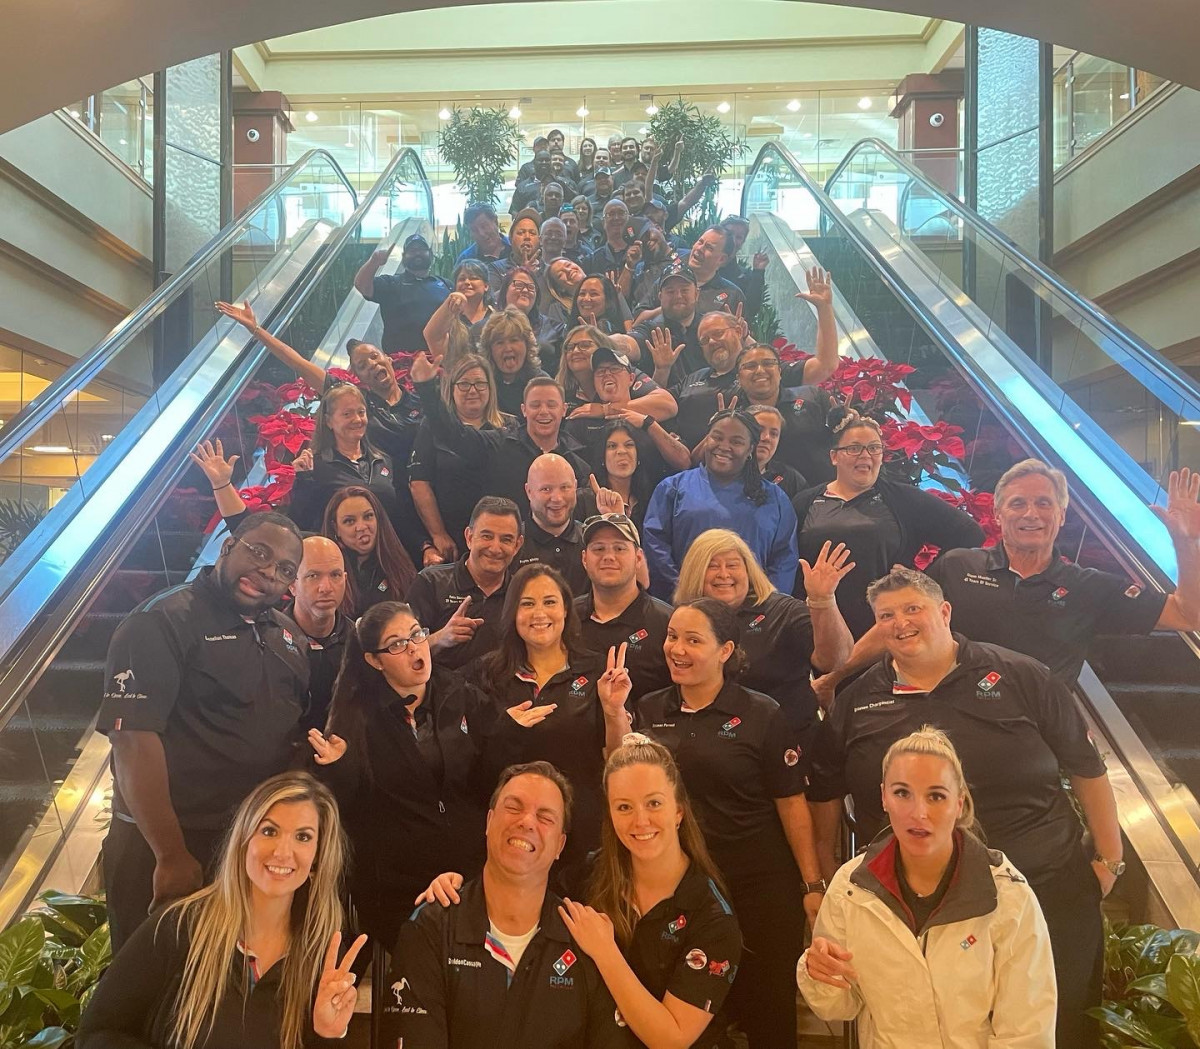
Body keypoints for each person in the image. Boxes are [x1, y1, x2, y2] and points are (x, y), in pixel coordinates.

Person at [809, 567, 1123, 1048]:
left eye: (913, 608)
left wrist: (1109, 857)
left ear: (945, 611)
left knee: (1057, 1027)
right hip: (915, 905)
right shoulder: (858, 701)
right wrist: (826, 876)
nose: (901, 623)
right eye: (886, 615)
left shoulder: (1021, 675)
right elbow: (826, 792)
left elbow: (1086, 767)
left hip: (1044, 882)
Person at [97, 512, 309, 952]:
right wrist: (170, 854)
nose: (268, 571)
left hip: (247, 843)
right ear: (228, 547)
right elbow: (132, 740)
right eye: (259, 552)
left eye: (285, 569)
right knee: (152, 978)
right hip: (168, 846)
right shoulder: (161, 622)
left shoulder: (288, 635)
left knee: (228, 976)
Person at [635, 598, 824, 1049]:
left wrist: (812, 885)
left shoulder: (762, 713)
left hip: (758, 884)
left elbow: (792, 804)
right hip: (682, 886)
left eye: (693, 640)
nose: (677, 649)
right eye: (672, 637)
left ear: (725, 651)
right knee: (688, 1014)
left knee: (768, 1010)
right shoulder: (648, 709)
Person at [798, 727, 1056, 1048]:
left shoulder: (1007, 896)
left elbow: (1027, 1033)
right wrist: (817, 971)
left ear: (959, 803)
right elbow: (837, 1006)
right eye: (902, 793)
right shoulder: (851, 889)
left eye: (936, 796)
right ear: (883, 797)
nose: (918, 813)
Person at [78, 771, 364, 1048]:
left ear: (317, 857)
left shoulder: (320, 954)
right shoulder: (179, 927)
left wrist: (328, 1034)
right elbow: (96, 1034)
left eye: (303, 837)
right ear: (243, 842)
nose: (282, 852)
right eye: (269, 831)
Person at [382, 762, 628, 1048]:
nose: (527, 822)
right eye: (513, 807)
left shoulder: (587, 939)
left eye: (545, 817)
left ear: (560, 845)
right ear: (489, 822)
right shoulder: (431, 928)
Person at [308, 602, 509, 949]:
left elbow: (488, 777)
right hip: (399, 881)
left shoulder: (459, 693)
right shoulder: (356, 717)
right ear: (375, 661)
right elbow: (348, 812)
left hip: (471, 866)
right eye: (397, 644)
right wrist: (339, 768)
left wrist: (512, 734)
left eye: (416, 635)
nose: (414, 648)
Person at [923, 459, 1200, 681]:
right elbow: (909, 624)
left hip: (1040, 729)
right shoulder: (957, 566)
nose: (1031, 513)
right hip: (952, 725)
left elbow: (1188, 615)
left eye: (1044, 503)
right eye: (1018, 503)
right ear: (998, 514)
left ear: (1062, 515)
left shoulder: (1089, 587)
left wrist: (1185, 542)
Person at [559, 734, 743, 1049]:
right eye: (624, 807)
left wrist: (605, 951)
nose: (640, 820)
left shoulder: (713, 918)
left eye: (654, 803)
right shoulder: (591, 875)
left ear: (679, 811)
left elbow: (671, 1039)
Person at [471, 564, 631, 869]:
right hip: (513, 831)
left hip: (581, 833)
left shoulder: (599, 671)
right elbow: (474, 766)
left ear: (566, 609)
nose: (539, 613)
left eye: (549, 602)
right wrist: (505, 730)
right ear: (512, 612)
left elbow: (620, 761)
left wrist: (614, 711)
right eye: (527, 604)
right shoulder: (487, 674)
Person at [791, 411, 985, 638]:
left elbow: (969, 533)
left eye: (874, 448)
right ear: (834, 456)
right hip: (815, 621)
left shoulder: (904, 499)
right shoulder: (805, 501)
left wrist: (923, 579)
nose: (865, 455)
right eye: (854, 448)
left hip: (884, 628)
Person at [212, 301, 424, 501]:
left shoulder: (421, 400)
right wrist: (256, 329)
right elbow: (299, 363)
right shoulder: (359, 404)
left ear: (388, 358)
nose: (371, 364)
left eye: (375, 356)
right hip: (391, 496)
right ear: (357, 376)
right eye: (362, 365)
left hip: (430, 486)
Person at [674, 529, 853, 746]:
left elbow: (834, 660)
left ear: (748, 570)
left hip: (786, 741)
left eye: (732, 565)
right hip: (710, 743)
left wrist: (822, 600)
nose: (723, 574)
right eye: (712, 566)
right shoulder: (681, 618)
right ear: (695, 572)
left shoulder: (784, 611)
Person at [410, 353, 590, 520]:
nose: (544, 411)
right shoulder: (499, 443)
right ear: (524, 410)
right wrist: (427, 388)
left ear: (564, 409)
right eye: (535, 405)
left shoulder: (577, 461)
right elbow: (454, 434)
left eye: (551, 405)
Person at [644, 409, 799, 600]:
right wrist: (682, 594)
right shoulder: (672, 488)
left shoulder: (774, 498)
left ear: (750, 450)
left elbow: (784, 558)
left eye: (736, 442)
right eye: (717, 437)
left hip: (755, 608)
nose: (724, 446)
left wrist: (766, 603)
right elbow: (656, 546)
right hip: (687, 604)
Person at [409, 353, 508, 564]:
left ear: (490, 388)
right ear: (451, 389)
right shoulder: (431, 427)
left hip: (501, 537)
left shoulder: (508, 427)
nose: (472, 390)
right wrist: (438, 534)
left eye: (480, 383)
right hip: (453, 539)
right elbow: (419, 483)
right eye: (464, 384)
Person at [407, 496, 524, 671]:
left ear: (517, 545)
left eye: (506, 539)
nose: (495, 548)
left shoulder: (522, 592)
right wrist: (441, 638)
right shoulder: (430, 582)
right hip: (440, 687)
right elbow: (402, 652)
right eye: (487, 536)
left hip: (504, 687)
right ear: (469, 537)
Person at [576, 513, 672, 700]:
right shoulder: (564, 618)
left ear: (638, 558)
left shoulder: (668, 623)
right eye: (599, 549)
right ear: (584, 559)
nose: (608, 557)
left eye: (619, 548)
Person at [287, 382, 402, 534]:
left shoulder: (383, 461)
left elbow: (401, 515)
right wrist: (304, 480)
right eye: (347, 414)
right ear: (328, 421)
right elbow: (299, 522)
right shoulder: (316, 467)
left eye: (361, 412)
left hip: (388, 546)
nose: (357, 419)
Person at [737, 337, 838, 484]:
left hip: (824, 493)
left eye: (768, 363)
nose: (760, 370)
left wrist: (849, 421)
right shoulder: (737, 417)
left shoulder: (813, 398)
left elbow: (846, 437)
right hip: (762, 495)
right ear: (739, 377)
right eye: (750, 366)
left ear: (779, 371)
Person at [290, 535, 353, 734]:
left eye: (335, 575)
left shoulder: (359, 641)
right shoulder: (267, 642)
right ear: (292, 584)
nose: (326, 588)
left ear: (345, 580)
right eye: (313, 576)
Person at [319, 485, 417, 610]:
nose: (361, 527)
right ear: (335, 528)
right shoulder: (323, 572)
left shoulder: (401, 565)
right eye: (349, 521)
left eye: (368, 516)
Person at [353, 233, 450, 353]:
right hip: (402, 360)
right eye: (412, 250)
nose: (417, 253)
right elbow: (361, 285)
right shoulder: (391, 283)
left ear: (430, 253)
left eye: (421, 249)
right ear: (404, 256)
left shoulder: (445, 284)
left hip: (441, 357)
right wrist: (374, 261)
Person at [515, 453, 591, 595]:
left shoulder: (591, 541)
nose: (557, 498)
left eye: (565, 487)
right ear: (529, 491)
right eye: (546, 489)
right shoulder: (513, 545)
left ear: (575, 487)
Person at [630, 266, 705, 387]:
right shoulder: (651, 330)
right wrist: (602, 341)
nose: (678, 296)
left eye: (684, 290)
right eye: (670, 291)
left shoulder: (709, 327)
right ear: (660, 297)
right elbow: (628, 343)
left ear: (697, 294)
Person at [478, 307, 549, 417]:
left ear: (527, 345)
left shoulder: (542, 383)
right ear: (490, 349)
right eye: (500, 342)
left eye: (514, 340)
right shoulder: (481, 383)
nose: (508, 348)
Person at [423, 260, 495, 367]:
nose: (467, 282)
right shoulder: (448, 320)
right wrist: (450, 301)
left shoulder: (496, 317)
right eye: (461, 279)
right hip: (457, 375)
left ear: (486, 286)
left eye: (473, 278)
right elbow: (431, 335)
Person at [747, 404, 807, 499]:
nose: (766, 438)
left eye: (774, 434)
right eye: (759, 430)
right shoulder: (725, 473)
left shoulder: (791, 479)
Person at [683, 228, 744, 317]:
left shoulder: (732, 295)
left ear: (722, 259)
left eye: (709, 247)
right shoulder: (671, 279)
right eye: (700, 242)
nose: (699, 249)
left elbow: (741, 324)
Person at [586, 199, 640, 277]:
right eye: (611, 214)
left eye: (621, 213)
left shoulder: (641, 254)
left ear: (630, 219)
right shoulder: (591, 261)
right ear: (603, 223)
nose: (616, 218)